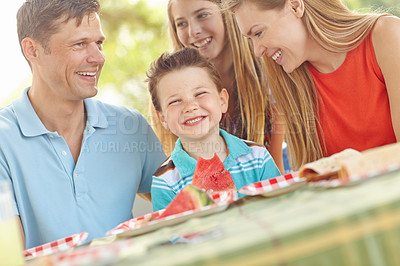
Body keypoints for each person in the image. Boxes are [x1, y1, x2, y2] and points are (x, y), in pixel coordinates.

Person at [0, 0, 166, 249]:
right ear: (32, 50)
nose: (98, 58)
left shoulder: (130, 127)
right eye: (79, 44)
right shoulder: (4, 139)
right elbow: (9, 257)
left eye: (98, 43)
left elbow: (180, 208)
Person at [224, 0, 400, 169]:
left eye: (258, 33)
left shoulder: (386, 36)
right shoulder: (289, 81)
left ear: (295, 6)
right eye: (249, 39)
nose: (257, 51)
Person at [149, 0, 286, 174]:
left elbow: (275, 170)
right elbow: (168, 177)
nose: (194, 31)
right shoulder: (166, 96)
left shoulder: (267, 80)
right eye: (181, 23)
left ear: (228, 15)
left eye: (203, 15)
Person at [146, 48, 281, 211]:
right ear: (162, 119)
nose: (190, 107)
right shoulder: (165, 182)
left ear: (222, 100)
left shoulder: (258, 157)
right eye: (175, 101)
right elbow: (173, 234)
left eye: (200, 93)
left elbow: (281, 209)